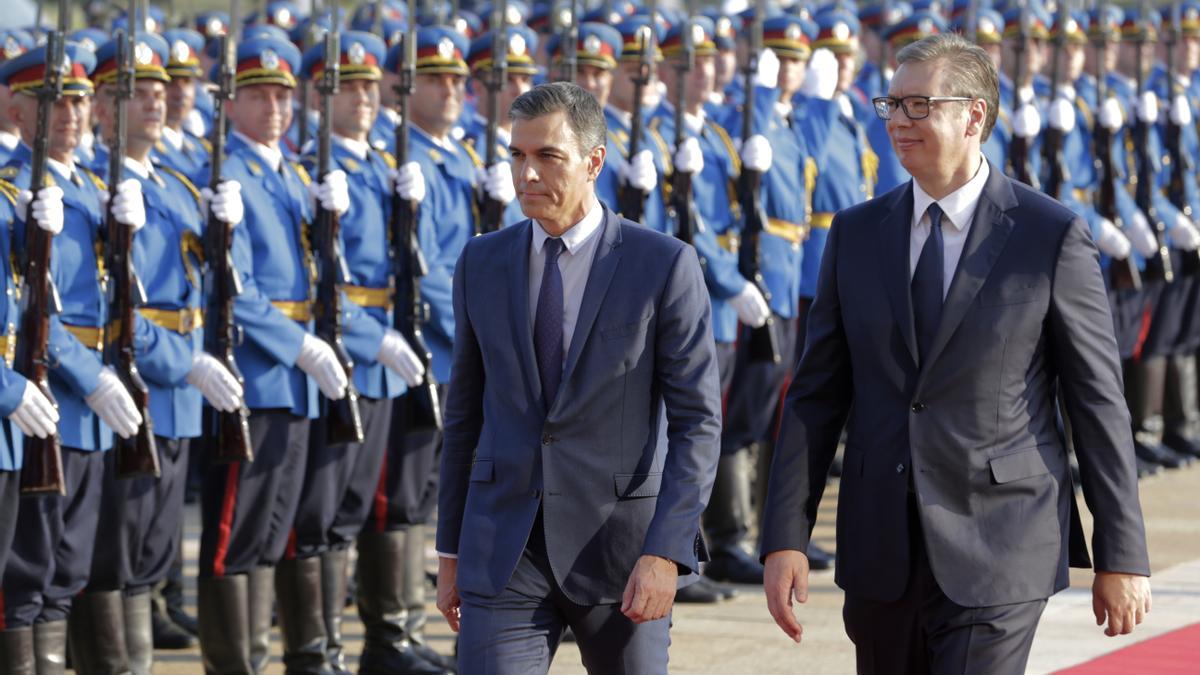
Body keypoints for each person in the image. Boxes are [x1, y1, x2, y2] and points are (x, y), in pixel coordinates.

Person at [760, 34, 1152, 674]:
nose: (898, 122)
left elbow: (1097, 402)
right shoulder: (856, 234)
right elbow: (816, 396)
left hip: (1000, 540)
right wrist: (784, 537)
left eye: (919, 106)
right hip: (881, 546)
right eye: (893, 105)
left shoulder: (1047, 235)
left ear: (974, 115)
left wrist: (1122, 553)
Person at [435, 81, 721, 674]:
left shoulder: (662, 264)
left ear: (593, 162)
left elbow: (698, 422)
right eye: (517, 155)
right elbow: (464, 413)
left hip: (621, 553)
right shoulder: (481, 262)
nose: (526, 174)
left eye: (547, 157)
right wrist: (451, 549)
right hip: (504, 547)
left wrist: (667, 552)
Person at [0, 41, 149, 671]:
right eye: (53, 102)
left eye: (80, 101)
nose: (68, 114)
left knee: (66, 567)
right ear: (23, 109)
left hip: (88, 403)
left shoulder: (96, 188)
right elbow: (39, 314)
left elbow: (119, 300)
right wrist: (89, 376)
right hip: (49, 395)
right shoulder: (13, 194)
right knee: (25, 570)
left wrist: (129, 238)